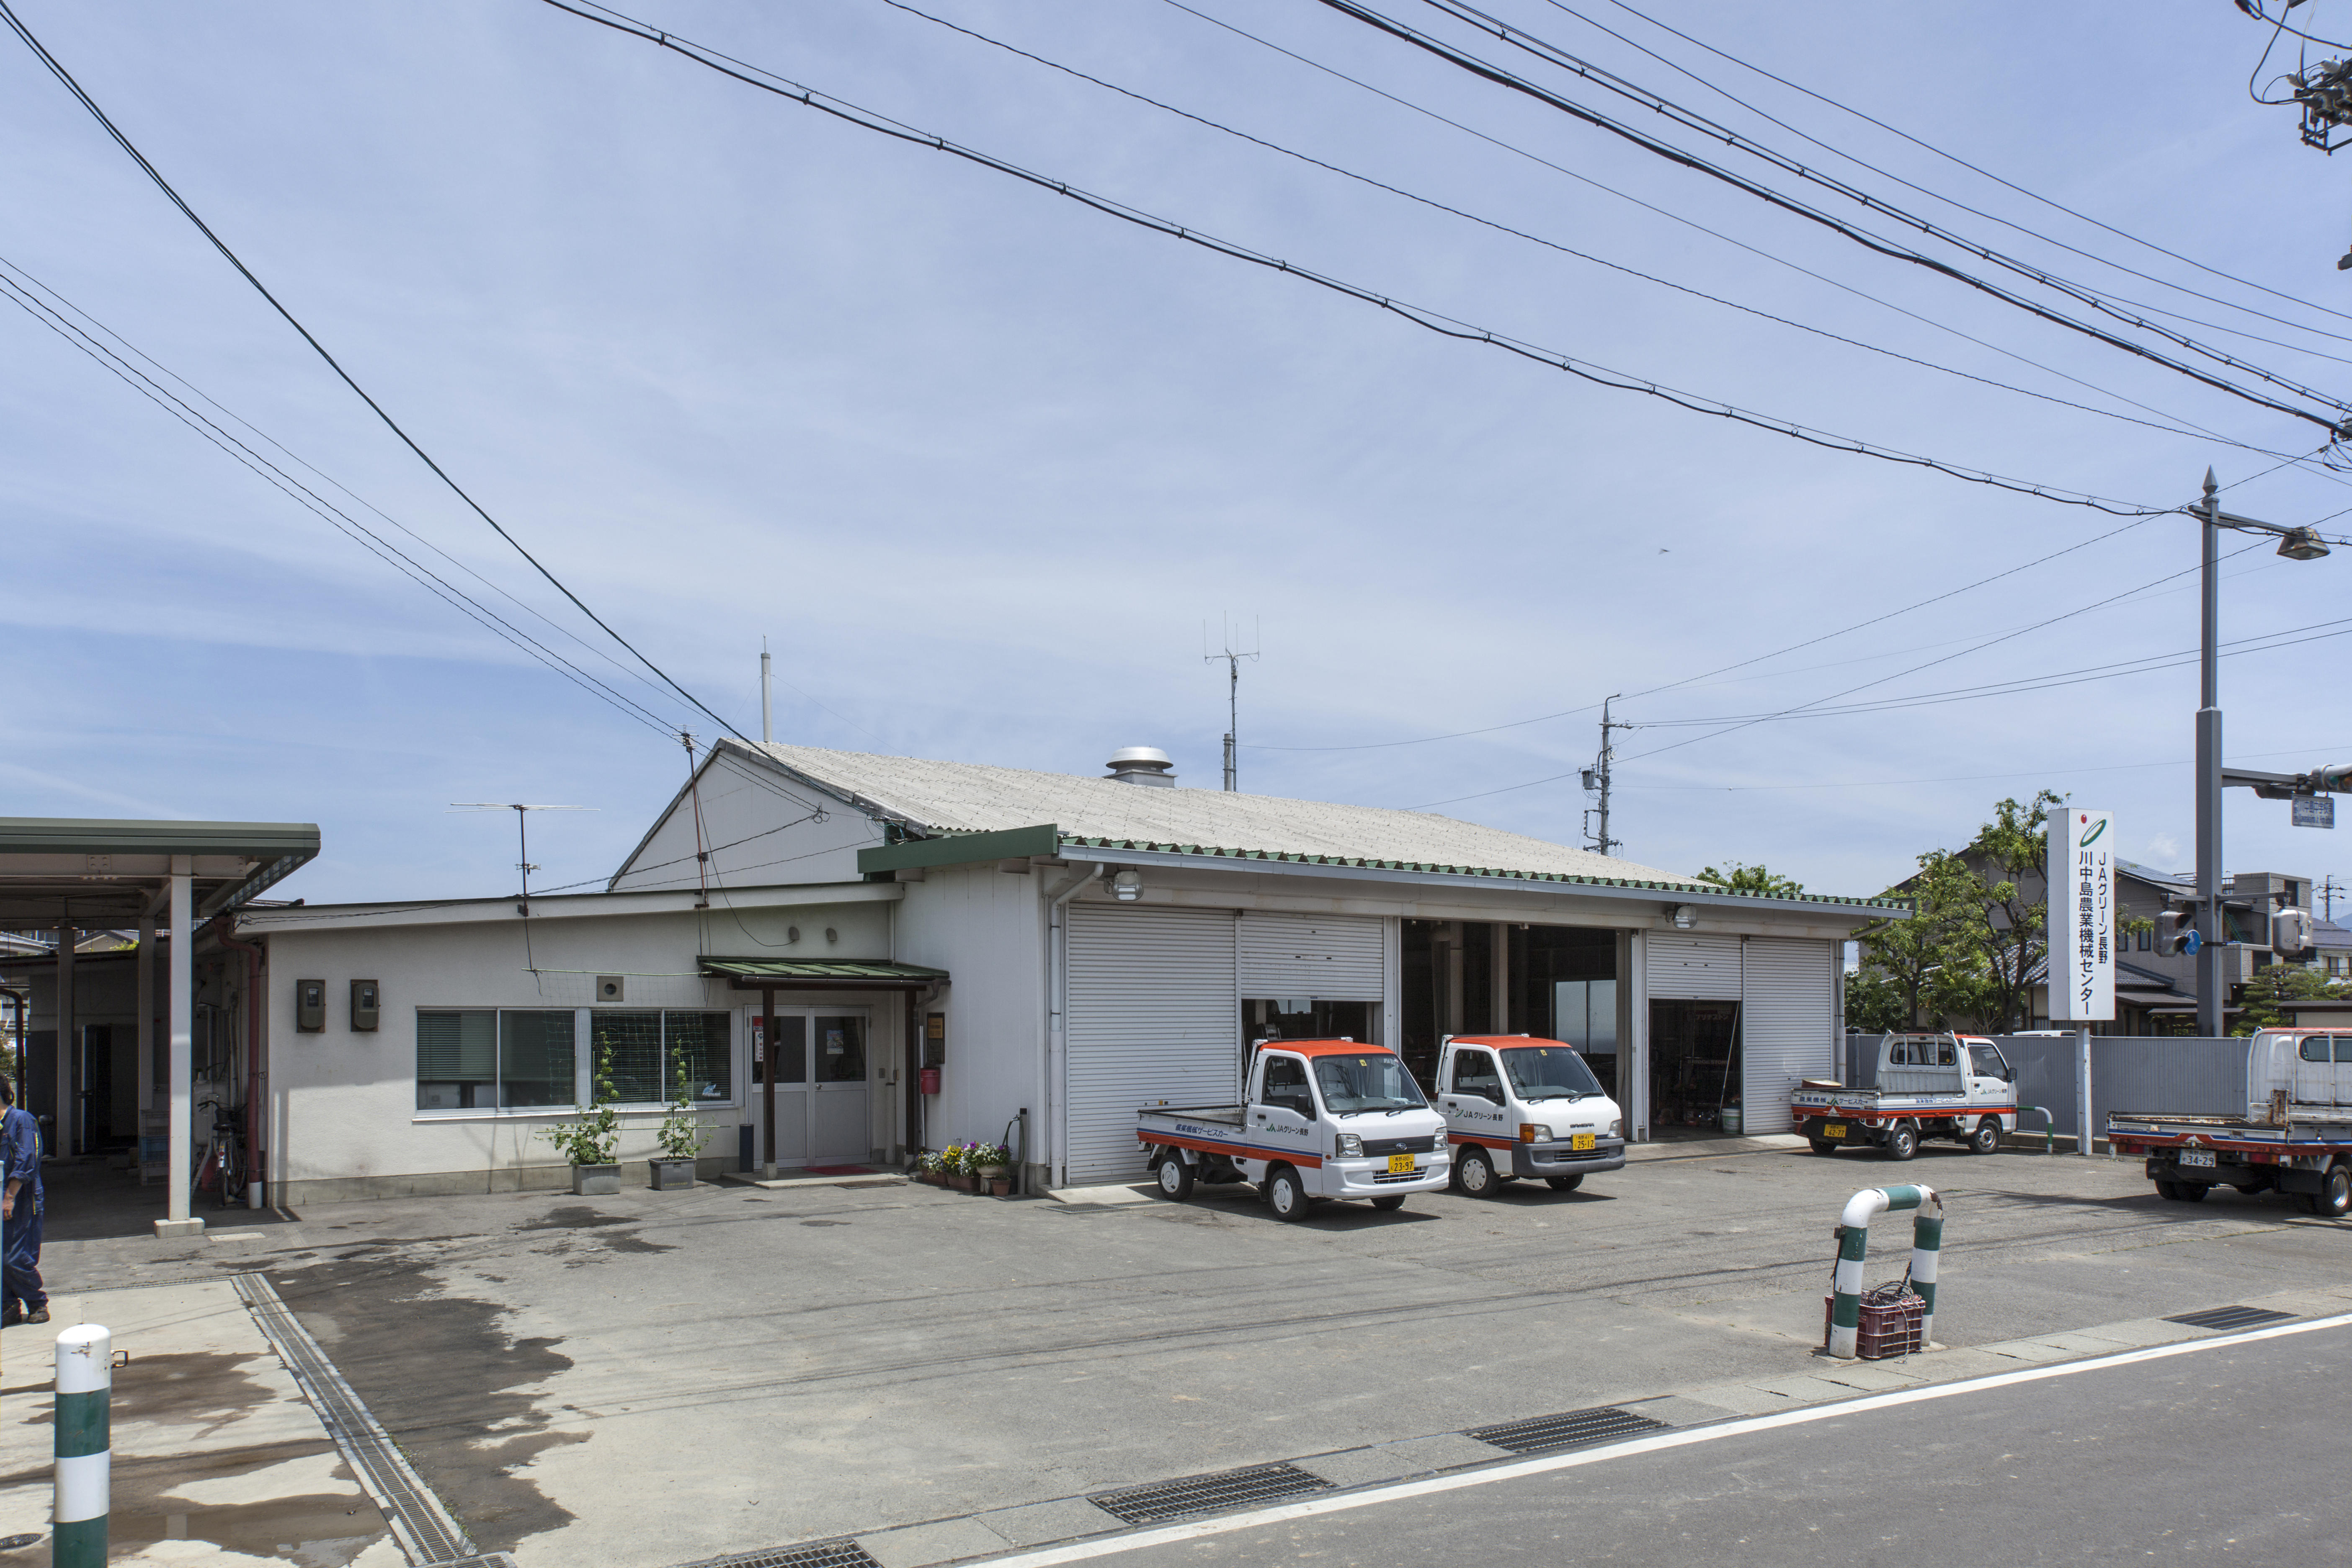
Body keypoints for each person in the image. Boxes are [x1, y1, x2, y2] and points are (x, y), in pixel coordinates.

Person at [1, 1075, 47, 1326]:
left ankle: (37, 1303)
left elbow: (26, 1160)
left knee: (14, 1257)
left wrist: (9, 1197)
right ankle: (8, 1306)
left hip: (21, 1198)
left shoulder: (21, 1120)